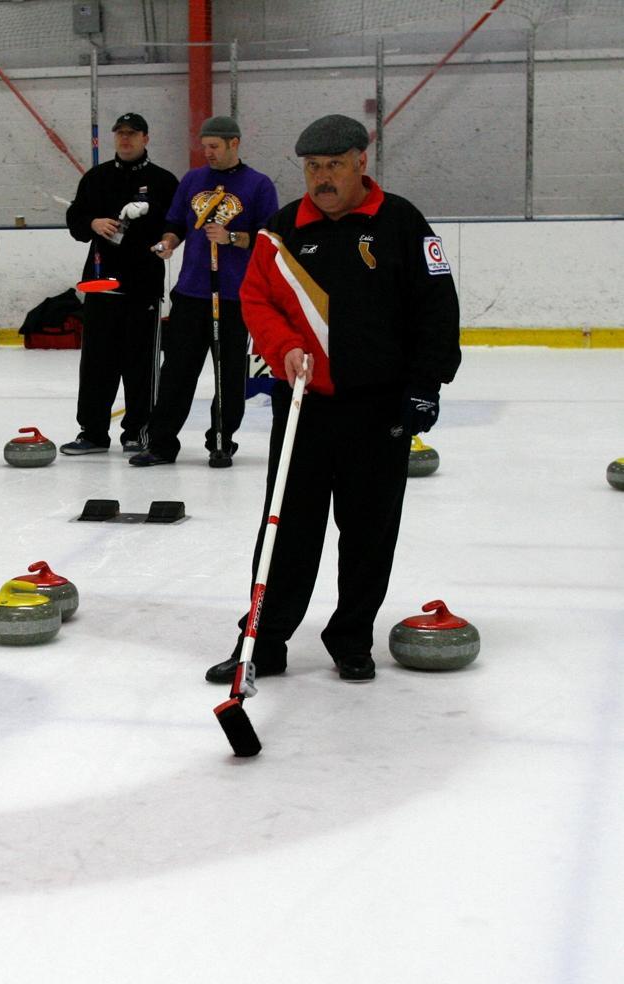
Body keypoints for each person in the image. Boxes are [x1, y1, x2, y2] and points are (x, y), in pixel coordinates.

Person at [204, 114, 460, 684]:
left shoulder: (401, 222)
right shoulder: (284, 228)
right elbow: (257, 301)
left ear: (361, 162)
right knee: (285, 529)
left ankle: (350, 639)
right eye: (312, 168)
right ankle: (263, 642)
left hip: (379, 409)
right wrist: (284, 348)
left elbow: (436, 306)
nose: (321, 179)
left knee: (369, 531)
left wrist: (426, 384)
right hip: (306, 408)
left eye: (333, 167)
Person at [132, 115, 278, 469]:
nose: (208, 153)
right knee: (177, 371)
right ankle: (162, 443)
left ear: (234, 144)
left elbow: (268, 238)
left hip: (232, 296)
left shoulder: (259, 185)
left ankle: (222, 440)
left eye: (214, 147)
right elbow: (176, 223)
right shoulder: (193, 180)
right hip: (192, 291)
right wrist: (168, 242)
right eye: (204, 147)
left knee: (228, 374)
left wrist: (231, 238)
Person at [59, 113, 178, 456]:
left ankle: (138, 431)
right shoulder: (96, 178)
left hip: (143, 286)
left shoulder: (163, 181)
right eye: (120, 134)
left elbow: (175, 225)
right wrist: (93, 222)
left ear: (145, 138)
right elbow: (76, 221)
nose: (125, 139)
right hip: (101, 283)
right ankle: (93, 432)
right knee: (97, 361)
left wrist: (167, 243)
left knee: (141, 364)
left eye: (133, 134)